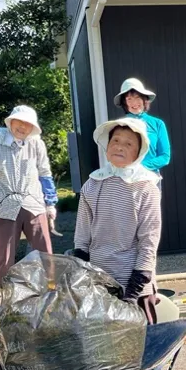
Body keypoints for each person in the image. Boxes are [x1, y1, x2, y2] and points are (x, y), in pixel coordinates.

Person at [72, 117, 163, 322]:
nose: (120, 147)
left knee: (140, 349)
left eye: (128, 143)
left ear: (139, 152)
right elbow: (82, 237)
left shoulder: (146, 186)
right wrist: (82, 276)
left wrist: (133, 291)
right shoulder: (93, 184)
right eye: (115, 141)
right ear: (107, 146)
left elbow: (149, 242)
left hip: (134, 285)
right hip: (98, 283)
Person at [0, 105, 58, 285]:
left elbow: (45, 174)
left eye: (27, 124)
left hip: (34, 203)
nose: (22, 127)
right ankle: (7, 298)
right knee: (5, 259)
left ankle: (50, 293)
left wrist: (50, 202)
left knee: (46, 255)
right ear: (10, 122)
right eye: (19, 122)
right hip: (5, 206)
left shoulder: (37, 144)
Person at [113, 78, 170, 180]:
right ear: (124, 103)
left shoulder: (158, 124)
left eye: (137, 97)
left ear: (144, 100)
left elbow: (165, 157)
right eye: (129, 99)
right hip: (126, 179)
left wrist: (140, 166)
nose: (134, 103)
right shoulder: (119, 125)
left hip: (151, 179)